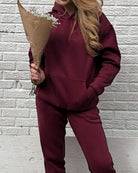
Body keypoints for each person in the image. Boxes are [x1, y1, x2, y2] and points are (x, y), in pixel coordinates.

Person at [29, 0, 121, 172]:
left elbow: (111, 62)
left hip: (83, 102)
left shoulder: (97, 21)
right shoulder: (45, 21)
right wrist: (38, 75)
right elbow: (35, 58)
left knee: (102, 165)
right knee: (53, 162)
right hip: (48, 100)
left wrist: (92, 91)